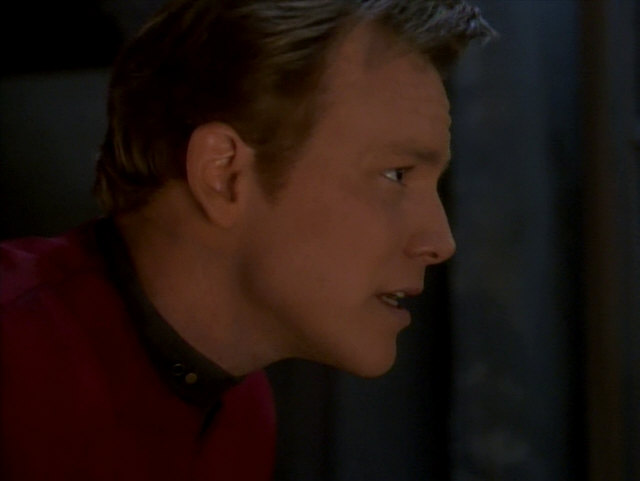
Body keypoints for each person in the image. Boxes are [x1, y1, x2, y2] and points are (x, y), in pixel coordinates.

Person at [0, 0, 494, 479]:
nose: (440, 242)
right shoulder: (15, 362)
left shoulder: (241, 409)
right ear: (224, 174)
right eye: (396, 174)